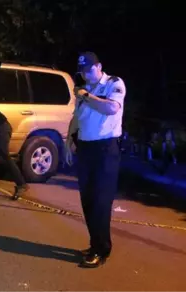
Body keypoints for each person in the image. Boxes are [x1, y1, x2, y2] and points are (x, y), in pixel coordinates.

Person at [65, 52, 126, 268]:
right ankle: (94, 244)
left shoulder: (113, 83)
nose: (85, 73)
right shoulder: (86, 90)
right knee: (88, 201)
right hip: (86, 149)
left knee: (101, 202)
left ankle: (102, 250)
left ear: (99, 66)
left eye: (89, 69)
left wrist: (85, 95)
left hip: (105, 150)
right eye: (82, 70)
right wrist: (67, 142)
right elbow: (76, 118)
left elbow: (111, 108)